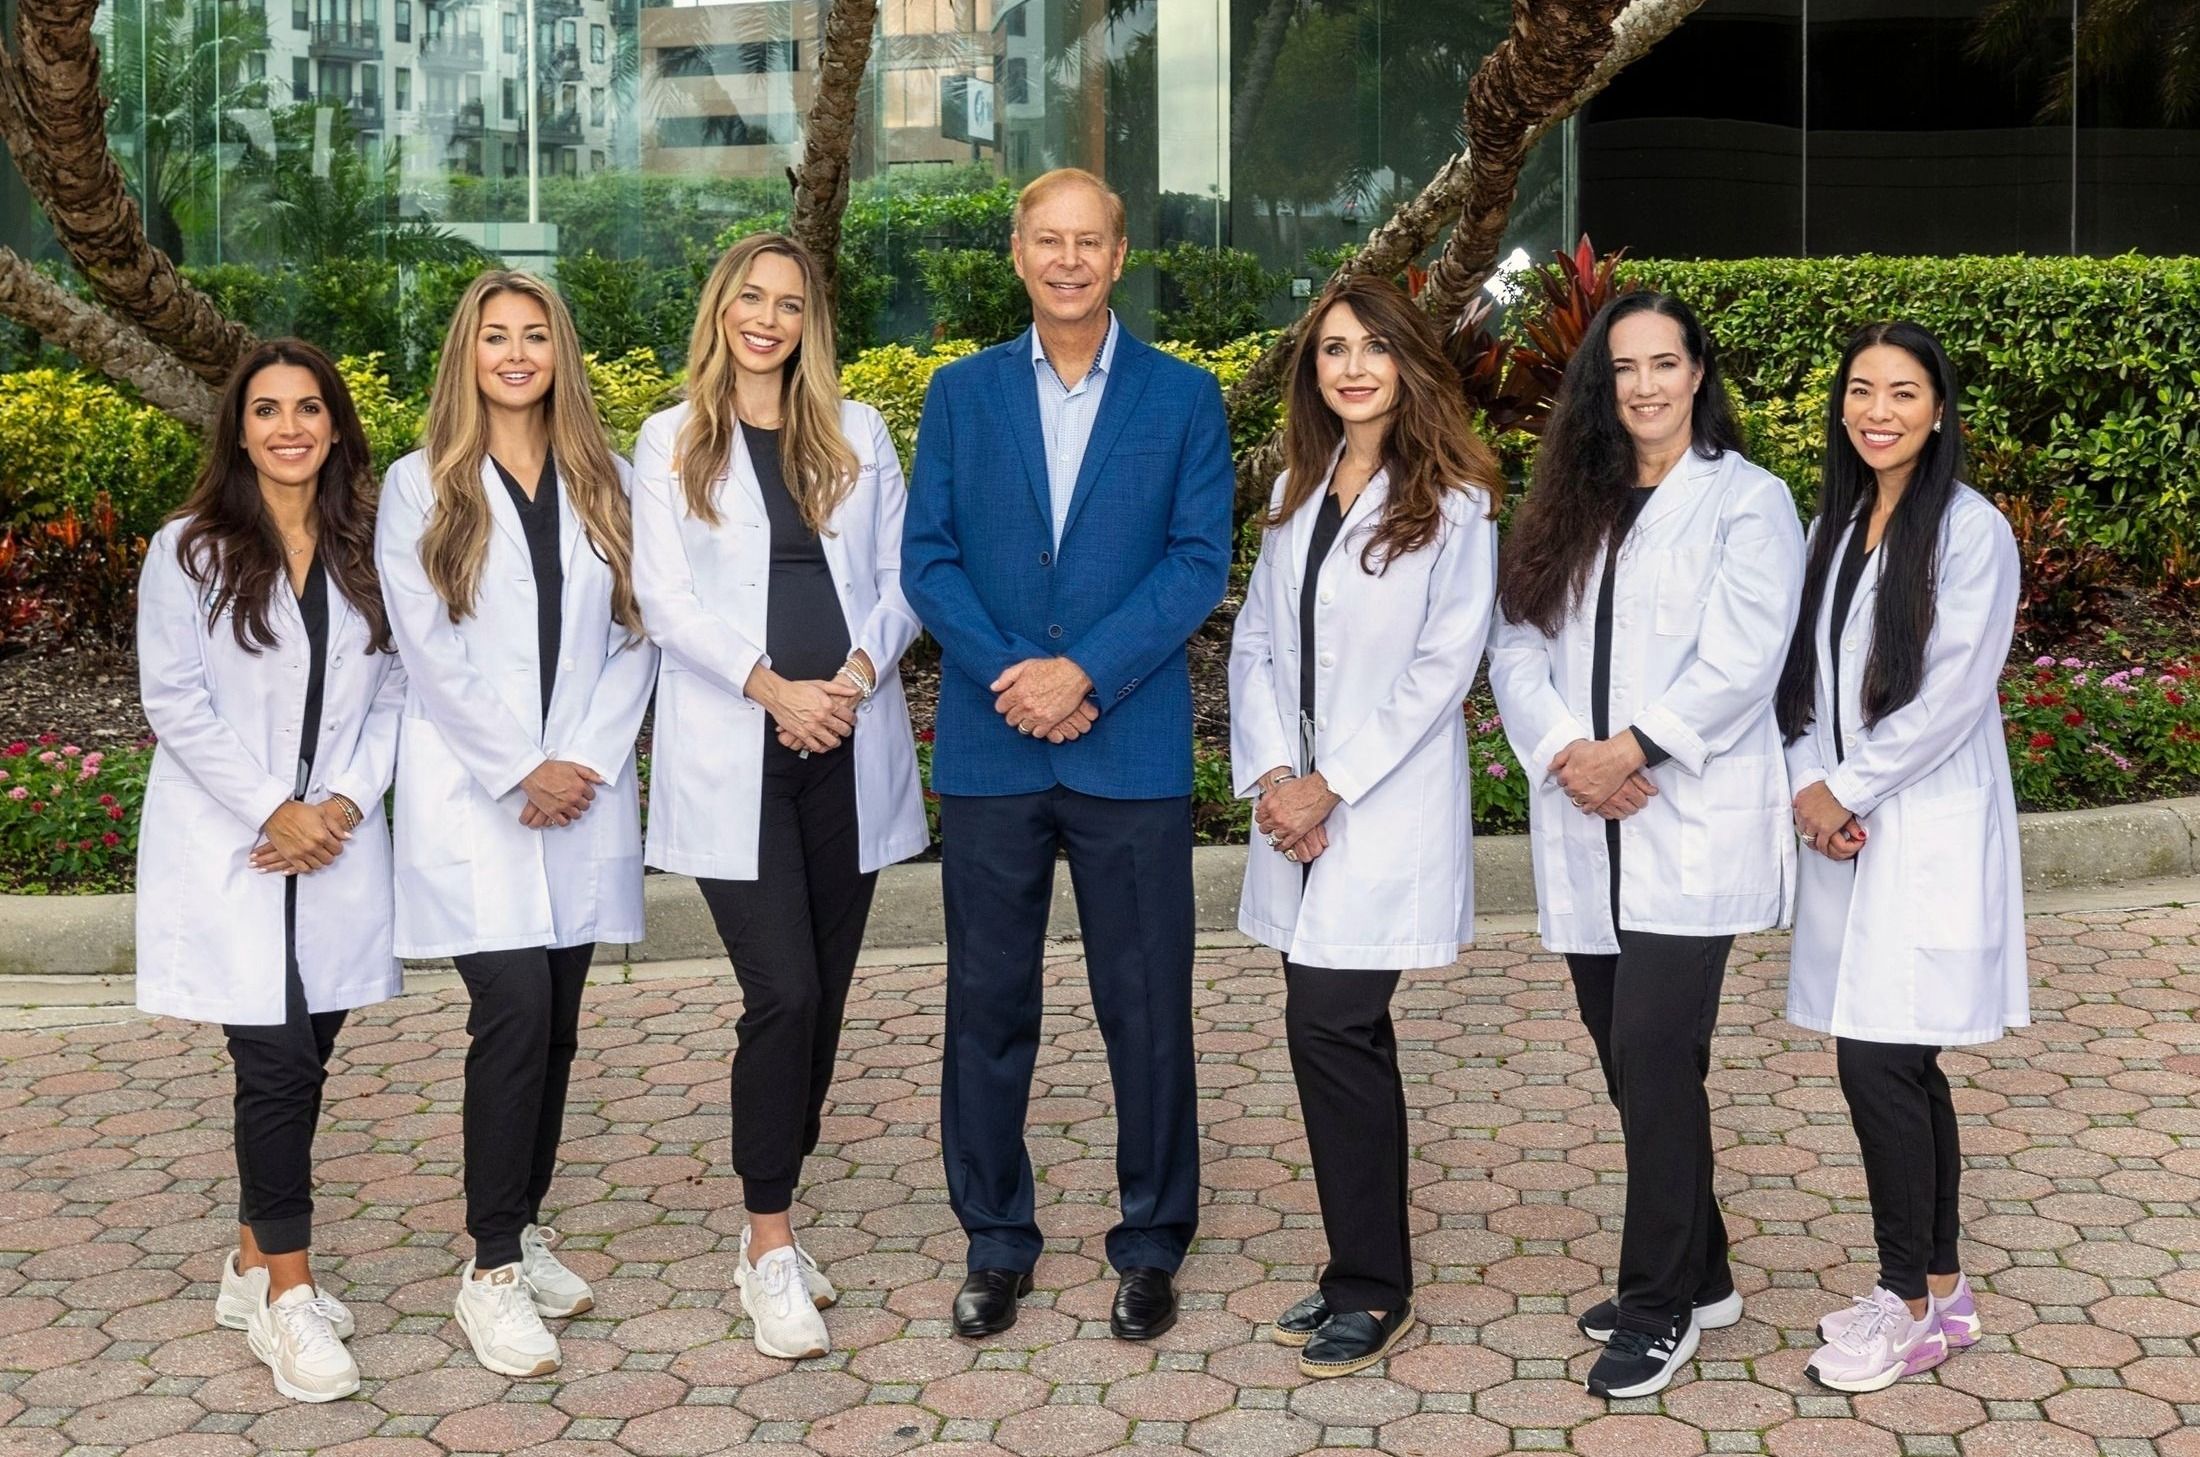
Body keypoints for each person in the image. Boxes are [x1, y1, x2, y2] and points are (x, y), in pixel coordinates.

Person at [901, 167, 1234, 1342]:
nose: (1068, 258)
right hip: (994, 753)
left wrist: (1083, 670)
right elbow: (928, 560)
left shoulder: (1184, 397)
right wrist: (1016, 676)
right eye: (1048, 239)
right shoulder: (958, 394)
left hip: (1126, 746)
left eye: (1089, 240)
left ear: (1120, 251)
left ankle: (1151, 1244)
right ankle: (996, 1239)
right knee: (988, 1006)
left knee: (1145, 1009)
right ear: (1016, 253)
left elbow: (1197, 560)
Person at [1487, 291, 1804, 1399]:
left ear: (1697, 373)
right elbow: (1515, 638)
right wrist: (1568, 749)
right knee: (1629, 1060)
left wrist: (1635, 750)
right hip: (1586, 812)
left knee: (1659, 1056)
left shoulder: (1747, 502)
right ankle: (1704, 1268)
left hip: (1687, 816)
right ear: (1598, 385)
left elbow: (1745, 655)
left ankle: (1657, 1304)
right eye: (1622, 368)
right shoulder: (1568, 500)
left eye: (1664, 363)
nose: (1644, 386)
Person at [631, 233, 929, 1360]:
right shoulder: (669, 439)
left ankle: (775, 1215)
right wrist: (772, 689)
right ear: (720, 311)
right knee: (785, 994)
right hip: (736, 747)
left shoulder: (857, 432)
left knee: (828, 1001)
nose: (768, 318)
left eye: (789, 303)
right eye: (750, 299)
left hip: (845, 744)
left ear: (812, 322)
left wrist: (848, 681)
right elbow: (663, 597)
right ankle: (767, 1242)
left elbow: (907, 580)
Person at [376, 270, 657, 1378]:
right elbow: (426, 649)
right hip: (477, 797)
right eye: (495, 336)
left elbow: (640, 633)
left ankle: (526, 1227)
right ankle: (489, 1267)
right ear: (468, 355)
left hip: (578, 795)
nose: (515, 352)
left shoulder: (610, 479)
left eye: (534, 334)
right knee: (513, 1010)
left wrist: (579, 759)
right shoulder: (420, 485)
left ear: (559, 353)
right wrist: (520, 767)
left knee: (557, 1023)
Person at [1229, 276, 1501, 1377]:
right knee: (1342, 1032)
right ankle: (1360, 1267)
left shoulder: (1458, 498)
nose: (1351, 366)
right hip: (1300, 807)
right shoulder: (1298, 483)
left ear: (1409, 363)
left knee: (1330, 1026)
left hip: (1375, 808)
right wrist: (1275, 773)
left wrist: (1329, 781)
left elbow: (1444, 668)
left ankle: (1372, 1284)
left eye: (1373, 347)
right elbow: (1253, 639)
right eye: (1333, 348)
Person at [136, 338, 404, 1403]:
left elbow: (397, 694)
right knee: (278, 1065)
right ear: (238, 430)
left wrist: (337, 803)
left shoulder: (371, 546)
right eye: (266, 410)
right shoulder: (189, 549)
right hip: (239, 843)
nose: (288, 427)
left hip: (334, 843)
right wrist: (276, 809)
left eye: (308, 409)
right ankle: (290, 1297)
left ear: (336, 425)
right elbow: (176, 701)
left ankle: (250, 1262)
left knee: (311, 1050)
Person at [1777, 322, 2024, 1391]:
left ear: (1938, 409)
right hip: (1847, 827)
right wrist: (1806, 786)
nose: (1878, 410)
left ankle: (1907, 1304)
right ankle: (1945, 1285)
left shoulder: (1972, 531)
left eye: (1904, 393)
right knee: (1903, 1059)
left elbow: (1953, 691)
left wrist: (1846, 785)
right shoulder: (1832, 526)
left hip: (1920, 824)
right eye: (1862, 390)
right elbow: (1795, 681)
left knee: (1876, 1057)